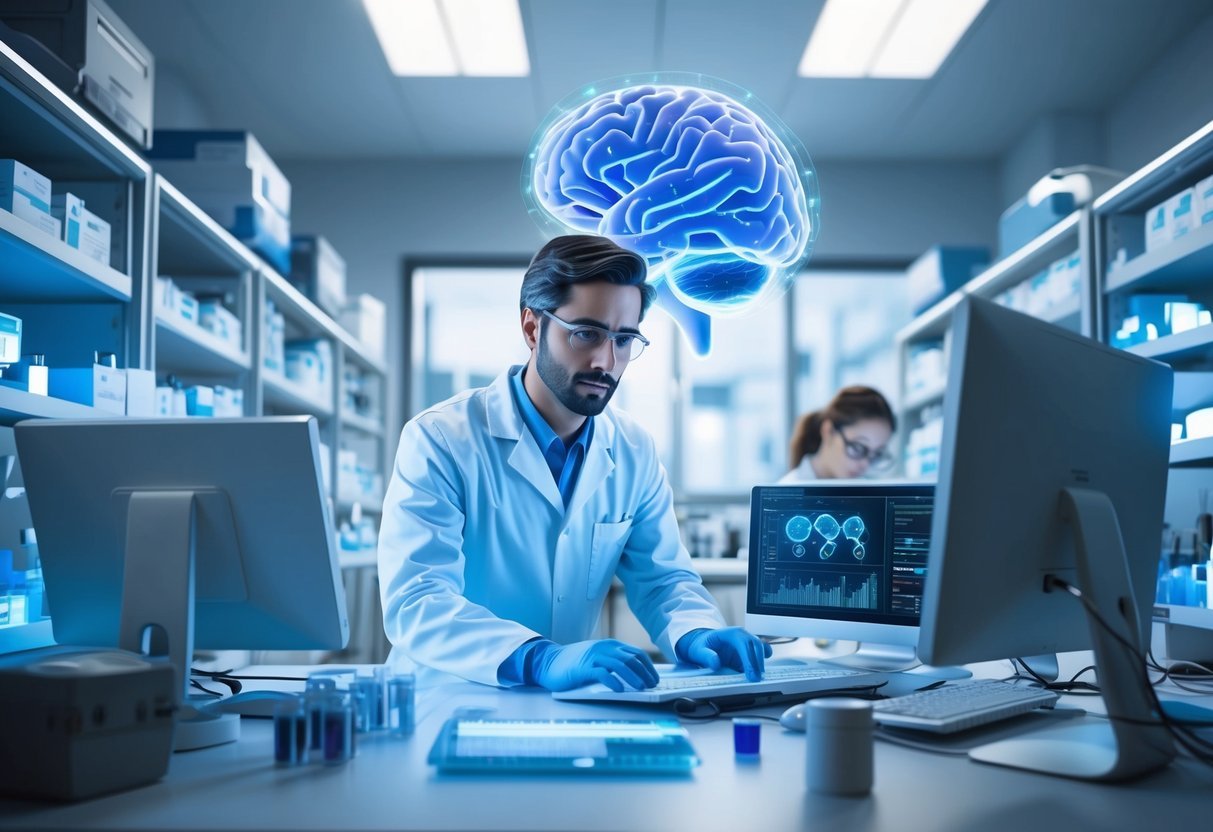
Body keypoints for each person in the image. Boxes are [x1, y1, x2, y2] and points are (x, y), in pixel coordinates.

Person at [378, 234, 770, 692]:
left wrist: (698, 631)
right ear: (531, 328)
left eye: (624, 339)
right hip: (444, 694)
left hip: (563, 702)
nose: (607, 361)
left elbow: (662, 578)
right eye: (586, 333)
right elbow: (418, 599)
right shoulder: (441, 438)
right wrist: (539, 658)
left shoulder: (633, 450)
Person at [780, 386, 896, 482]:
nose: (865, 464)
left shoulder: (863, 492)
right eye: (857, 448)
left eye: (876, 454)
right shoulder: (786, 492)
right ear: (828, 431)